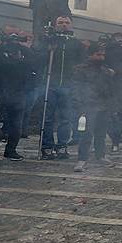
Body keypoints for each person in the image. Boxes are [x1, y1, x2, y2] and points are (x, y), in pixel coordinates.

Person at [40, 15, 85, 160]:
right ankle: (47, 147)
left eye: (67, 22)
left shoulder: (76, 43)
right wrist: (47, 47)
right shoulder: (49, 40)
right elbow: (39, 58)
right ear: (55, 24)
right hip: (50, 84)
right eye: (60, 22)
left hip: (67, 84)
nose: (64, 25)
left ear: (71, 25)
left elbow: (81, 62)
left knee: (65, 118)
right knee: (48, 118)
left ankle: (62, 146)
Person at [71, 43, 116, 171]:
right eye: (98, 54)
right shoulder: (80, 70)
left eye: (103, 55)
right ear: (90, 55)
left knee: (101, 134)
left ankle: (100, 156)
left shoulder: (106, 71)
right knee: (86, 134)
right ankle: (82, 159)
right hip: (88, 106)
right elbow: (76, 89)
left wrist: (112, 105)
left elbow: (110, 89)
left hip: (103, 106)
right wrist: (80, 106)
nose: (101, 57)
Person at [0, 35, 35, 160]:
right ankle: (10, 150)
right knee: (0, 126)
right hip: (0, 95)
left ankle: (11, 150)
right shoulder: (0, 57)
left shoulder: (18, 57)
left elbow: (34, 64)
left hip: (16, 95)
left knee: (16, 125)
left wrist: (26, 48)